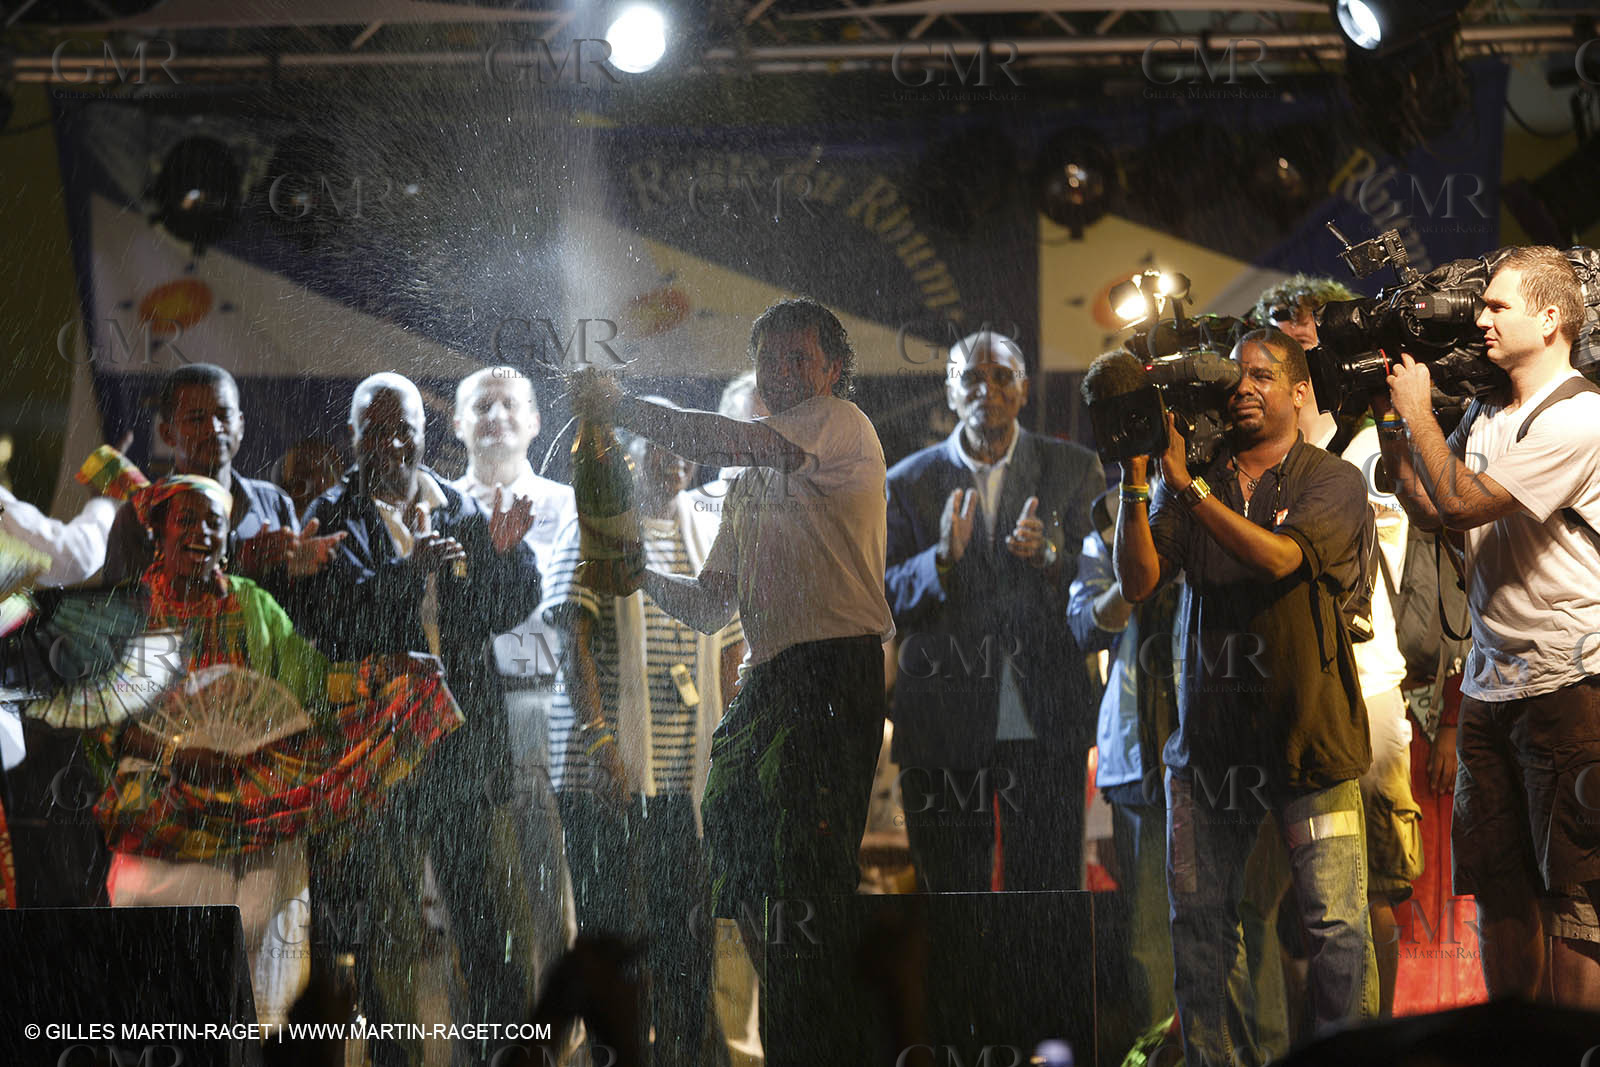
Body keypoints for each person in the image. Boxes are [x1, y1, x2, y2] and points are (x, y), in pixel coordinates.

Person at [570, 297, 894, 1063]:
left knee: (809, 875)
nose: (781, 370)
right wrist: (639, 572)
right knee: (739, 855)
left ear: (834, 370)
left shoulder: (839, 423)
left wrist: (625, 407)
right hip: (770, 680)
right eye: (768, 357)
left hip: (832, 672)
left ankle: (822, 1037)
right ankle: (800, 1014)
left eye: (798, 356)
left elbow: (727, 437)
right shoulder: (750, 482)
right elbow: (714, 605)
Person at [1111, 327, 1378, 1065]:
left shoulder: (1331, 480)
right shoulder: (1198, 476)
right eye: (1236, 377)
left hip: (1311, 739)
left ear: (1300, 392)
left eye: (1264, 374)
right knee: (1199, 924)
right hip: (1210, 748)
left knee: (1336, 930)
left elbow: (1278, 559)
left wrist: (1187, 490)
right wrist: (1140, 480)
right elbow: (1135, 582)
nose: (1244, 387)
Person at [293, 372, 544, 1067]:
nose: (394, 441)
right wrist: (409, 570)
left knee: (491, 925)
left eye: (404, 426)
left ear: (423, 431)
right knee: (393, 937)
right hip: (383, 759)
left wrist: (504, 553)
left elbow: (505, 607)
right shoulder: (333, 512)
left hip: (464, 751)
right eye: (376, 429)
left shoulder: (459, 503)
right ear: (354, 436)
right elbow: (331, 621)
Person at [1373, 246, 1600, 1007]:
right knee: (1498, 893)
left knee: (1574, 903)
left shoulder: (1580, 414)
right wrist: (1399, 434)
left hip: (1571, 687)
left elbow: (1466, 501)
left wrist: (1415, 411)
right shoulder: (1483, 413)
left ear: (1551, 316)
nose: (1480, 318)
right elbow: (1435, 507)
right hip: (1491, 685)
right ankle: (1516, 1049)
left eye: (1498, 306)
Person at [542, 401, 743, 1067]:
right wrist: (602, 742)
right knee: (616, 940)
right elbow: (572, 634)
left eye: (686, 447)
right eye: (662, 445)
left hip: (683, 780)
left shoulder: (702, 532)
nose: (678, 457)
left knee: (684, 938)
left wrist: (727, 743)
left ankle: (685, 1055)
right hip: (608, 773)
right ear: (629, 455)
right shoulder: (599, 527)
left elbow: (728, 645)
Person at [884, 331, 1103, 893]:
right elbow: (878, 594)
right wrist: (941, 559)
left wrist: (1051, 557)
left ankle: (1038, 984)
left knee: (1048, 896)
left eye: (1001, 376)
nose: (988, 389)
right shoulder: (906, 482)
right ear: (952, 394)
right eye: (972, 378)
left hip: (1046, 712)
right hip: (941, 719)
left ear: (1024, 389)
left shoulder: (1073, 469)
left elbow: (1107, 585)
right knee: (952, 901)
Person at [1264, 275, 1427, 1022]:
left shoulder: (1373, 441)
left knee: (1375, 891)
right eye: (1277, 328)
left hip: (1366, 683)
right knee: (1296, 894)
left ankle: (1373, 1043)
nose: (1295, 336)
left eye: (1308, 327)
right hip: (1282, 689)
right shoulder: (1252, 450)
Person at [449, 365, 579, 1014]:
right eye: (481, 404)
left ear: (533, 421)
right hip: (462, 720)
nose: (496, 415)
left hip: (542, 716)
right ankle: (483, 1033)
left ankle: (557, 1035)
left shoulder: (564, 504)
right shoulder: (441, 505)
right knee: (465, 890)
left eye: (510, 404)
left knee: (546, 874)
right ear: (457, 423)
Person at [1068, 484, 1181, 1059]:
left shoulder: (1221, 496)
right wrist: (1136, 572)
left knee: (1240, 922)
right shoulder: (1108, 520)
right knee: (1148, 933)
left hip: (1223, 749)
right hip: (1139, 751)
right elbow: (1086, 623)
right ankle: (1156, 1055)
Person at [100, 363, 344, 596]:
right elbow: (124, 616)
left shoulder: (274, 503)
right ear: (167, 433)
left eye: (223, 415)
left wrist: (304, 572)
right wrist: (240, 566)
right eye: (196, 419)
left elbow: (289, 614)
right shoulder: (141, 514)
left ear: (241, 425)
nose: (214, 428)